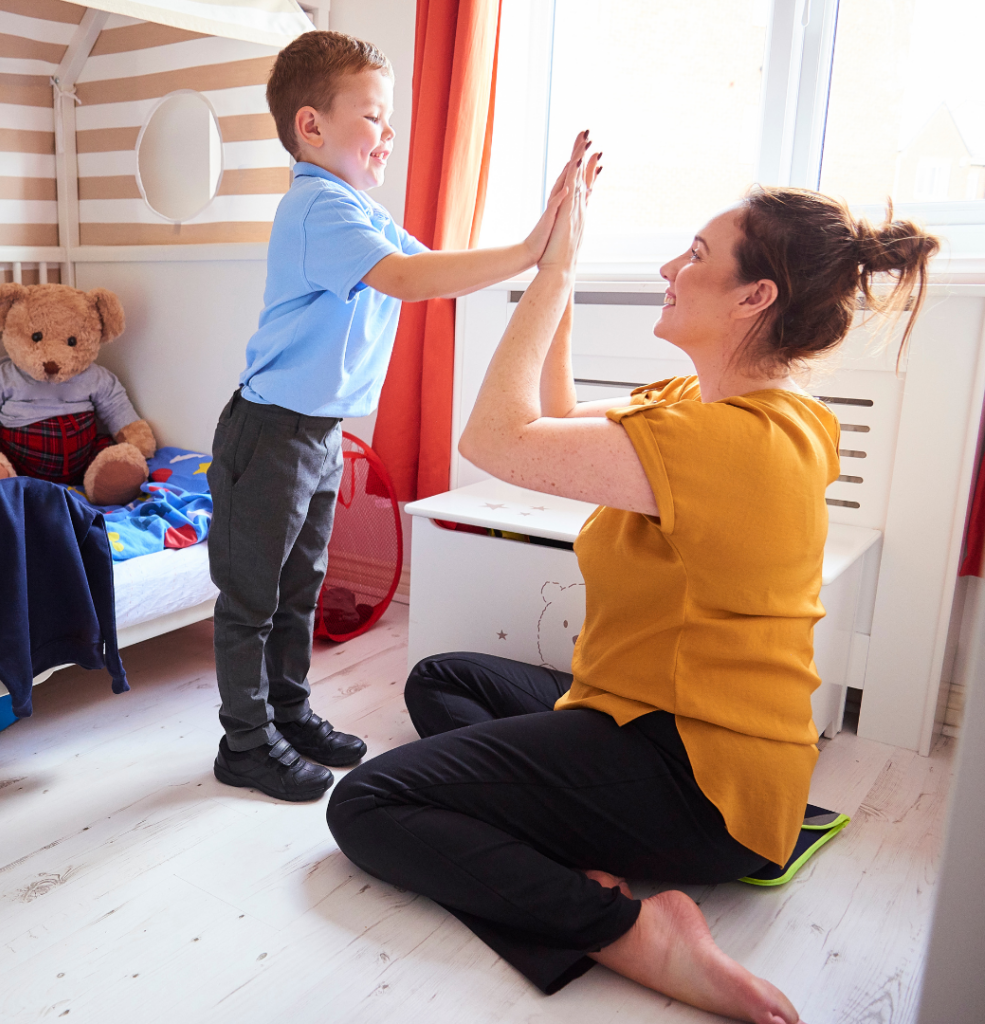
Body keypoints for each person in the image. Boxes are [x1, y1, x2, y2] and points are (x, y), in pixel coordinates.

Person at [326, 138, 939, 1021]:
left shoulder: (733, 442)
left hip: (698, 777)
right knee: (443, 678)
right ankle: (562, 859)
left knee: (373, 803)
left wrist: (549, 271)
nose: (668, 267)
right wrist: (559, 271)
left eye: (695, 256)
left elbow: (497, 441)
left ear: (755, 298)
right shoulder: (709, 408)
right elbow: (559, 415)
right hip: (644, 714)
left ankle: (629, 931)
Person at [209, 31, 577, 802]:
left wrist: (535, 250)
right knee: (252, 597)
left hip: (318, 432)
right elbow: (409, 280)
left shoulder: (360, 212)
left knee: (301, 588)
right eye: (375, 118)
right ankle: (244, 743)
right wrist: (528, 247)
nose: (389, 137)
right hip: (270, 431)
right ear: (312, 126)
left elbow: (433, 271)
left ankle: (287, 713)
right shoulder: (315, 208)